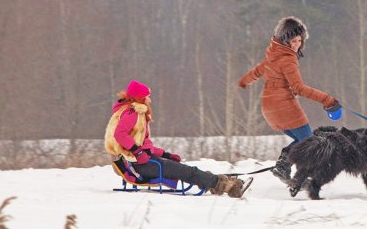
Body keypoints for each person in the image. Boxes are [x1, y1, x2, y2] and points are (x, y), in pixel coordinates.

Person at [238, 16, 341, 184]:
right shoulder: (287, 59)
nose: (297, 45)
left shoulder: (273, 54)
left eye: (299, 40)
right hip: (284, 107)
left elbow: (258, 71)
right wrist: (327, 100)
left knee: (303, 141)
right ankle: (297, 174)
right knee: (309, 142)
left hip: (269, 108)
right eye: (293, 40)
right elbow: (298, 88)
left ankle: (284, 165)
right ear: (285, 40)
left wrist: (244, 81)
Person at [105, 80, 249, 198]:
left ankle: (219, 183)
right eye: (147, 96)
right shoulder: (133, 112)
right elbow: (120, 134)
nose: (150, 99)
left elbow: (144, 145)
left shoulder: (132, 112)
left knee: (185, 169)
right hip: (139, 164)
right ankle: (228, 187)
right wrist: (137, 151)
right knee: (187, 171)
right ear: (140, 98)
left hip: (143, 160)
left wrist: (165, 154)